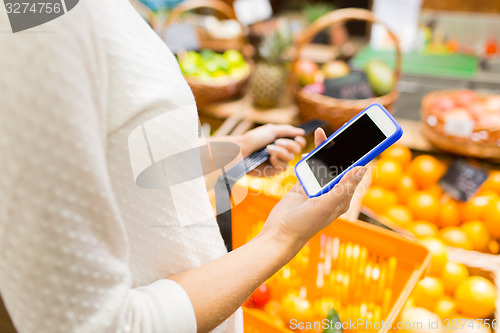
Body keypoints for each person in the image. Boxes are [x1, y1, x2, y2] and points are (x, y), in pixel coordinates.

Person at [0, 1, 366, 332]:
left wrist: (235, 153)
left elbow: (124, 176)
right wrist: (283, 236)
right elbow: (96, 325)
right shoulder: (35, 21)